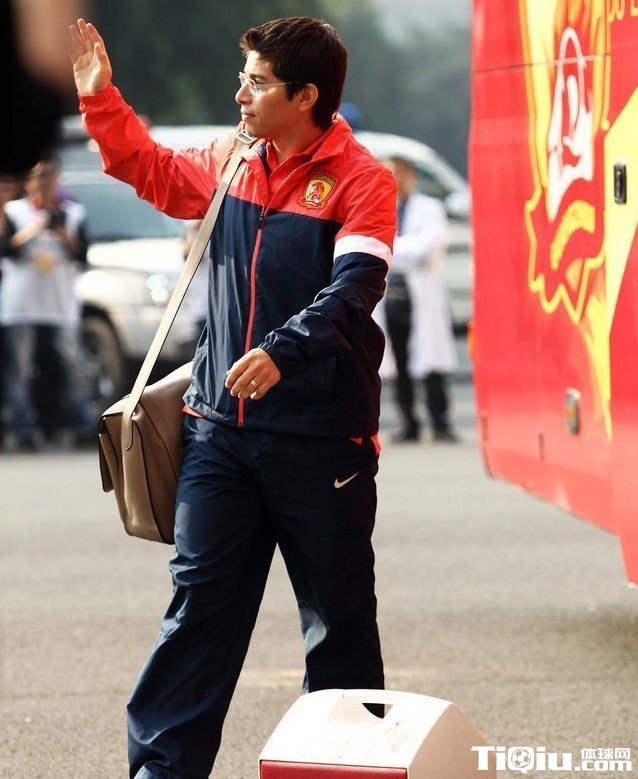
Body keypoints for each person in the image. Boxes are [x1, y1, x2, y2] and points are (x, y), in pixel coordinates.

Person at [69, 16, 396, 778]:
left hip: (322, 444)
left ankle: (344, 768)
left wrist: (284, 351)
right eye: (243, 78)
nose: (240, 94)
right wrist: (100, 99)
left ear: (306, 96)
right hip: (218, 435)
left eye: (257, 82)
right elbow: (149, 169)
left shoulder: (362, 180)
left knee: (339, 627)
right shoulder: (232, 157)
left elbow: (356, 290)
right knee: (197, 616)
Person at [0, 158, 94, 450]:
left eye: (49, 176)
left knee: (73, 366)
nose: (44, 182)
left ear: (57, 180)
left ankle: (82, 425)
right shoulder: (14, 211)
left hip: (60, 304)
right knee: (19, 370)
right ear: (28, 182)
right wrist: (35, 228)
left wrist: (64, 237)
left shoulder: (73, 213)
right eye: (38, 176)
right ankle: (23, 431)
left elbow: (83, 255)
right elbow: (6, 249)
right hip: (21, 305)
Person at [377, 156, 458, 443]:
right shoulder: (379, 206)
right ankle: (408, 423)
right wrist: (398, 251)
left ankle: (440, 422)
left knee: (431, 361)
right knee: (399, 362)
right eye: (389, 174)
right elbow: (375, 247)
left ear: (410, 176)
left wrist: (391, 250)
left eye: (399, 174)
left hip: (421, 295)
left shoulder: (430, 208)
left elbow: (425, 247)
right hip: (392, 298)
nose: (395, 180)